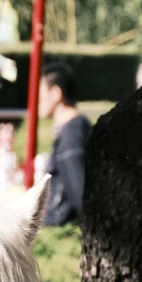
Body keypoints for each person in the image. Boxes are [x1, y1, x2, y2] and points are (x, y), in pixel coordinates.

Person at [39, 61, 91, 225]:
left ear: (55, 93)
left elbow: (81, 195)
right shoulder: (74, 130)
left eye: (40, 95)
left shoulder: (72, 136)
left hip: (62, 229)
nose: (38, 100)